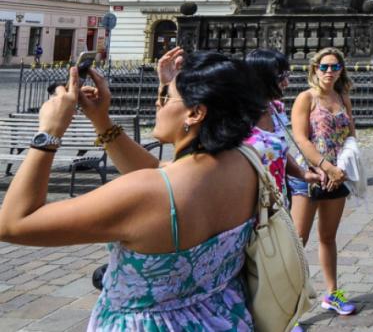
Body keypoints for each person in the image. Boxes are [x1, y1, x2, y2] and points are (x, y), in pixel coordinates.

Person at [0, 49, 264, 329]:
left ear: (196, 112)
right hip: (221, 316)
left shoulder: (150, 193)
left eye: (166, 96)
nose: (157, 102)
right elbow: (156, 172)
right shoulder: (244, 162)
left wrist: (49, 133)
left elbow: (14, 223)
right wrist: (101, 120)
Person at [289, 47, 356, 316]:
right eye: (324, 67)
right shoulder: (306, 98)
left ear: (341, 70)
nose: (329, 72)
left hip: (336, 178)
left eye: (335, 67)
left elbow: (351, 136)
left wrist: (343, 168)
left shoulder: (342, 97)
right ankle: (288, 307)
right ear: (315, 69)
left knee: (328, 237)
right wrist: (325, 166)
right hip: (310, 176)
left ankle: (332, 294)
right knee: (297, 242)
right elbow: (301, 139)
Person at [243, 49, 320, 197]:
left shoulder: (276, 108)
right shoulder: (237, 115)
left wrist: (303, 174)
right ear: (260, 79)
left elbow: (279, 151)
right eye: (280, 77)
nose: (286, 83)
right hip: (248, 201)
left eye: (287, 75)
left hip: (278, 199)